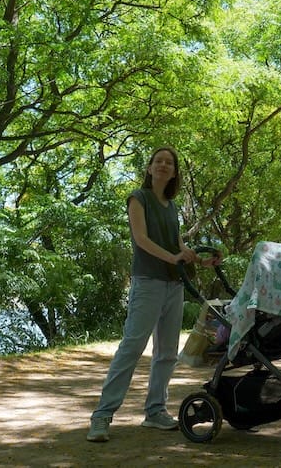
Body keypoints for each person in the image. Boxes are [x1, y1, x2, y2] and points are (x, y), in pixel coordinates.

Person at [87, 146, 220, 443]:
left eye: (169, 163)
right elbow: (141, 239)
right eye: (158, 161)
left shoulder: (171, 206)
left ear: (174, 172)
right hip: (148, 282)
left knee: (167, 353)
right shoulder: (139, 198)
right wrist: (172, 258)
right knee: (132, 347)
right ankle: (102, 415)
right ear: (149, 168)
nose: (163, 165)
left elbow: (178, 246)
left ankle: (155, 411)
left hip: (174, 285)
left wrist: (201, 261)